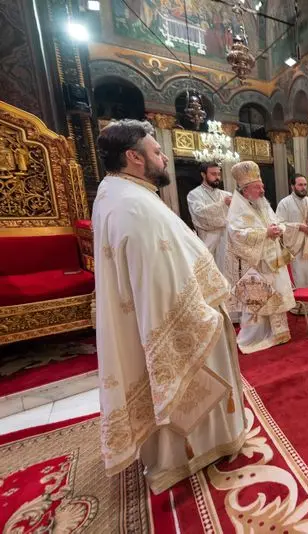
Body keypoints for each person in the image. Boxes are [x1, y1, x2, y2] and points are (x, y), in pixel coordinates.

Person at [92, 120, 246, 495]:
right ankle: (194, 450)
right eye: (157, 152)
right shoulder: (133, 204)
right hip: (176, 315)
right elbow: (159, 280)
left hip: (156, 308)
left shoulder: (118, 192)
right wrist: (205, 312)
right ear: (134, 157)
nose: (163, 157)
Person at [226, 161, 296, 353]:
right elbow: (237, 234)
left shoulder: (263, 204)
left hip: (273, 259)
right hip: (256, 263)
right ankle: (254, 336)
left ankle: (279, 332)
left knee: (277, 292)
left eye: (262, 185)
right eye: (258, 187)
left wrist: (278, 229)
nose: (262, 190)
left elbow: (277, 221)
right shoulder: (238, 209)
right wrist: (265, 233)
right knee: (259, 299)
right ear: (246, 189)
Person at [276, 174, 308, 314]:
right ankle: (304, 307)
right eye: (300, 185)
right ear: (292, 186)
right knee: (301, 274)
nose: (303, 188)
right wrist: (298, 226)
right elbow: (279, 224)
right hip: (296, 244)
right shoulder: (284, 203)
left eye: (305, 185)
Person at [187, 162, 232, 271]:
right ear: (203, 175)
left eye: (218, 174)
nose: (217, 177)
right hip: (208, 241)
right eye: (213, 174)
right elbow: (200, 215)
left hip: (227, 240)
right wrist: (222, 204)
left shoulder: (226, 194)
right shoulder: (194, 195)